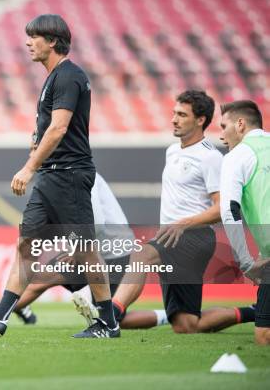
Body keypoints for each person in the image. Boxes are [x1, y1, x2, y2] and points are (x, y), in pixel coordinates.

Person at [0, 14, 120, 338]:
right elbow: (50, 130)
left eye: (34, 36)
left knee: (85, 249)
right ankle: (0, 316)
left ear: (52, 41)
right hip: (52, 177)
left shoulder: (68, 75)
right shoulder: (55, 77)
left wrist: (29, 167)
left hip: (68, 175)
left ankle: (109, 322)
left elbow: (59, 127)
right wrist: (37, 143)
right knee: (26, 246)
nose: (28, 42)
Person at [89, 90, 256, 333]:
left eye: (182, 114)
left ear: (200, 120)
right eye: (174, 113)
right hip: (172, 235)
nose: (174, 119)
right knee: (187, 325)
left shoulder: (209, 157)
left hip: (193, 237)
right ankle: (254, 310)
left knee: (141, 256)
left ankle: (109, 317)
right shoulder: (172, 151)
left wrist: (183, 224)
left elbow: (222, 209)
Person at [0, 173, 170, 327]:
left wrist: (76, 251)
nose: (32, 153)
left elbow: (96, 224)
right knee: (41, 279)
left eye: (36, 148)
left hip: (115, 253)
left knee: (112, 320)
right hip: (91, 252)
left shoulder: (81, 176)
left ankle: (170, 315)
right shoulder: (59, 178)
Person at [219, 99, 270, 345]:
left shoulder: (237, 156)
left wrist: (247, 263)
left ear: (240, 124)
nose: (221, 135)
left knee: (264, 337)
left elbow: (230, 210)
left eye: (223, 126)